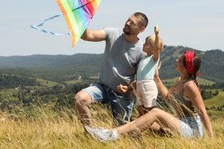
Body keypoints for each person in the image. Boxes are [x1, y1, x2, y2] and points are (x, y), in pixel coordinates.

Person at [85, 50, 214, 141]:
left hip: (192, 131)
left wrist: (211, 139)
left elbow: (202, 112)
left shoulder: (190, 86)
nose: (176, 60)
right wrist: (157, 79)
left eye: (179, 60)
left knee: (156, 112)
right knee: (144, 120)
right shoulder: (179, 81)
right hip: (181, 124)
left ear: (185, 68)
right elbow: (168, 97)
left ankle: (111, 135)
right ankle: (125, 137)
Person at [74, 12, 149, 127]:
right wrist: (82, 20)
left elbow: (140, 79)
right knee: (80, 99)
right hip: (102, 86)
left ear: (141, 29)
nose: (127, 23)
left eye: (132, 23)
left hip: (122, 95)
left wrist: (129, 88)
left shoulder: (142, 51)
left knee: (120, 133)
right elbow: (87, 35)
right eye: (128, 20)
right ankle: (89, 132)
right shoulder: (113, 33)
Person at [134, 24, 163, 115]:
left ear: (153, 48)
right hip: (140, 85)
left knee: (150, 111)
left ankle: (155, 127)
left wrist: (157, 34)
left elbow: (158, 49)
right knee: (141, 109)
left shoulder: (154, 58)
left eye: (146, 43)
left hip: (148, 86)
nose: (143, 44)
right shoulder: (144, 58)